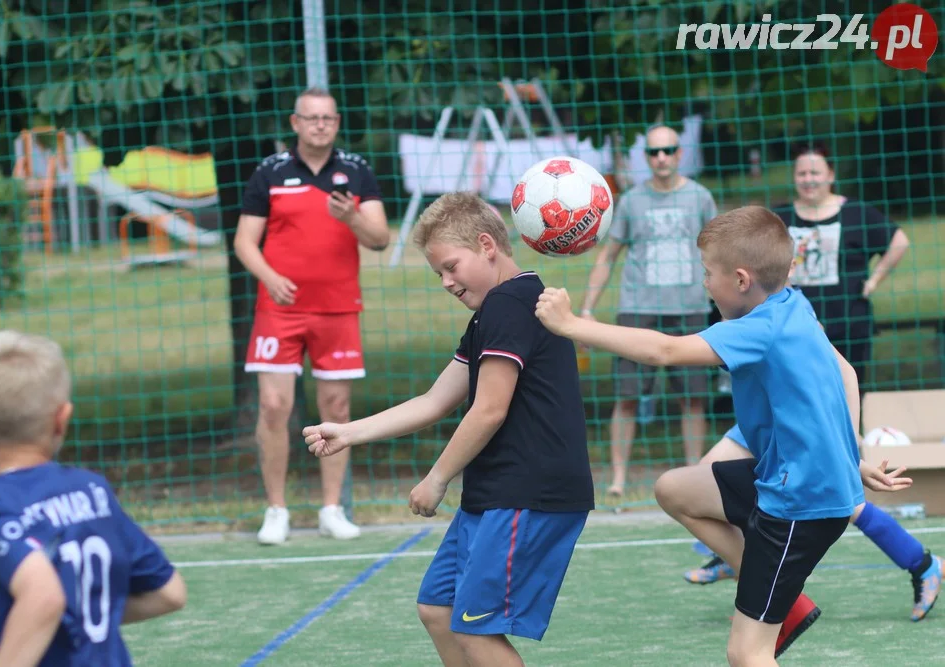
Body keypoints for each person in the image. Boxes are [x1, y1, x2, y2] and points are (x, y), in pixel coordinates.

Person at [535, 206, 911, 664]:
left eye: (706, 273)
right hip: (791, 479)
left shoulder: (758, 329)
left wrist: (572, 326)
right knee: (674, 488)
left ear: (739, 280)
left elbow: (665, 351)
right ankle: (783, 599)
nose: (703, 283)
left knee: (747, 654)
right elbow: (845, 371)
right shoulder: (792, 302)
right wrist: (850, 451)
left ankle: (776, 601)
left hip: (799, 504)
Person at [303, 192, 594, 667]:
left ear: (487, 245)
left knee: (478, 634)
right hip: (496, 493)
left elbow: (488, 410)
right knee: (438, 608)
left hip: (528, 495)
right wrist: (349, 432)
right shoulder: (496, 309)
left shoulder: (510, 305)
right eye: (438, 273)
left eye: (451, 267)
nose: (446, 281)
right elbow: (435, 399)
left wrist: (436, 478)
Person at [0, 330, 187, 666]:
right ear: (63, 418)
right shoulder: (92, 490)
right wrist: (82, 613)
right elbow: (170, 593)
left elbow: (44, 596)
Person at [234, 87, 390, 544]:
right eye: (311, 117)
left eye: (328, 118)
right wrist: (270, 277)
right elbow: (245, 242)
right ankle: (276, 510)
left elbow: (380, 238)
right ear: (295, 123)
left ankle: (331, 509)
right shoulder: (271, 171)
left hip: (338, 308)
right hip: (278, 310)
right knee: (273, 407)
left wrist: (352, 219)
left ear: (337, 123)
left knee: (336, 409)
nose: (320, 124)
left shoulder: (356, 172)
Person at [578, 124, 718, 496]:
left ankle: (693, 475)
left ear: (679, 154)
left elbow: (718, 253)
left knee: (692, 397)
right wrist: (588, 308)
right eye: (654, 152)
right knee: (626, 396)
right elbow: (608, 256)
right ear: (646, 157)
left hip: (688, 309)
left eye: (668, 150)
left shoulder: (701, 197)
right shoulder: (632, 201)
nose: (661, 158)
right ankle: (619, 479)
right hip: (638, 310)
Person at [683, 424, 942, 622]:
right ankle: (739, 558)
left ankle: (922, 564)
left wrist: (846, 437)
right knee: (706, 476)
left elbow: (844, 372)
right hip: (762, 412)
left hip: (798, 419)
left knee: (839, 503)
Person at [773, 142, 910, 392]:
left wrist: (874, 281)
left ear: (831, 175)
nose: (808, 179)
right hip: (795, 327)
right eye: (802, 173)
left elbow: (899, 242)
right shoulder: (780, 217)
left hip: (849, 325)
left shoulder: (856, 213)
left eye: (815, 173)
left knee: (848, 394)